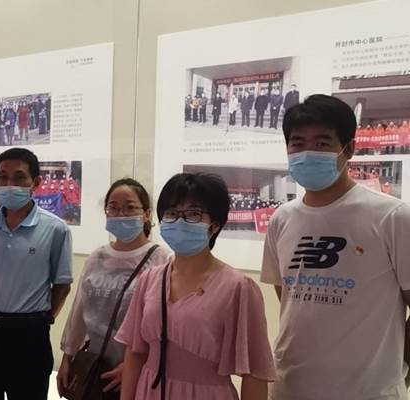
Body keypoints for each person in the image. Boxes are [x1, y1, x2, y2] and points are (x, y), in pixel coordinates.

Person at [261, 94, 410, 400]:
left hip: (368, 393)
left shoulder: (392, 216)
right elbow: (290, 300)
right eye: (298, 143)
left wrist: (398, 373)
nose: (307, 152)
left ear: (349, 149)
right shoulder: (281, 219)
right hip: (290, 388)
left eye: (322, 143)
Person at [116, 172, 275, 400]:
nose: (179, 221)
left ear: (214, 225)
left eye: (193, 214)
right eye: (172, 213)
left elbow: (255, 373)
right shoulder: (149, 280)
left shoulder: (238, 288)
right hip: (149, 391)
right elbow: (135, 353)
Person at [0, 147, 73, 399]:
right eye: (3, 176)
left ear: (36, 182)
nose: (9, 184)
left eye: (19, 177)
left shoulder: (56, 229)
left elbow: (62, 286)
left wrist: (41, 320)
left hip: (28, 337)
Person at [57, 179, 173, 399]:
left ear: (147, 214)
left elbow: (166, 326)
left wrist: (135, 365)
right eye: (113, 207)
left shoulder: (163, 259)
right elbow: (78, 315)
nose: (121, 214)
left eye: (130, 207)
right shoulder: (96, 258)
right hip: (95, 367)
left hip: (138, 370)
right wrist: (67, 359)